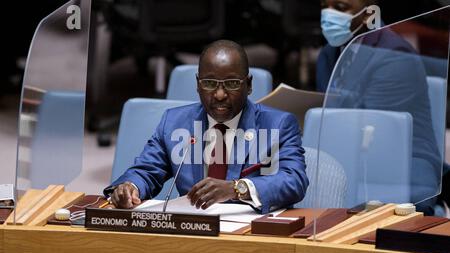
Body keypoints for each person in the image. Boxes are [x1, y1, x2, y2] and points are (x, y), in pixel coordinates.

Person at [104, 40, 309, 214]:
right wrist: (130, 187)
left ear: (249, 85)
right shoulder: (175, 123)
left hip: (251, 234)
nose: (219, 95)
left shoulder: (278, 125)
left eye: (231, 83)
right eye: (210, 83)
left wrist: (237, 189)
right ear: (198, 84)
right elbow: (146, 171)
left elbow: (294, 180)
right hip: (192, 231)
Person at [317, 0, 449, 215]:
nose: (328, 15)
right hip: (347, 160)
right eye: (325, 6)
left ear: (369, 14)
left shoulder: (394, 55)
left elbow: (378, 137)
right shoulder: (329, 54)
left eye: (340, 8)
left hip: (402, 169)